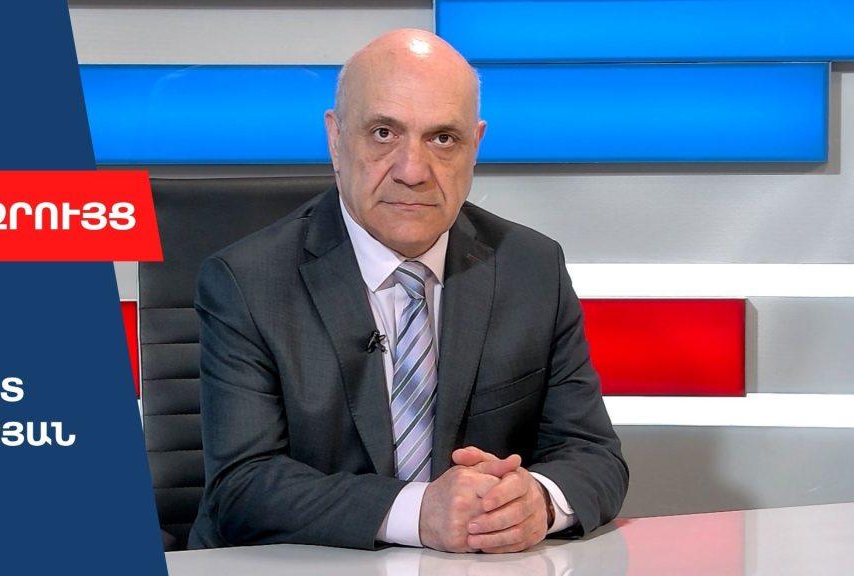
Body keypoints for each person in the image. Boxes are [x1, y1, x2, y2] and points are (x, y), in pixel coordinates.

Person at [187, 29, 628, 553]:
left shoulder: (532, 268)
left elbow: (594, 455)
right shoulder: (247, 281)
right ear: (335, 138)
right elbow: (241, 486)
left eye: (443, 139)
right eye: (383, 133)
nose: (413, 172)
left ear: (475, 146)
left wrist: (538, 500)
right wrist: (419, 512)